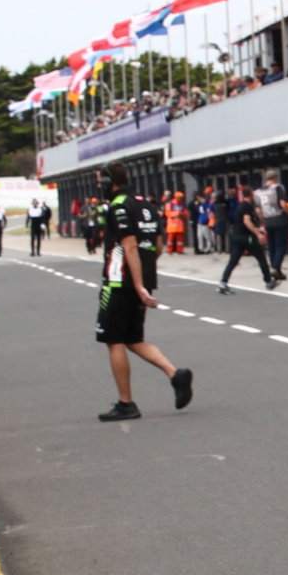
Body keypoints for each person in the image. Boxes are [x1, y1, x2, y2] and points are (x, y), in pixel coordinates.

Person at [95, 163, 193, 421]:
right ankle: (175, 374)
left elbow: (129, 247)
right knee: (133, 338)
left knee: (113, 339)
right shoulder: (147, 204)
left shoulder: (118, 206)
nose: (98, 187)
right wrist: (144, 279)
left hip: (120, 282)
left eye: (100, 182)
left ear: (108, 182)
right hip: (143, 277)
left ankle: (126, 403)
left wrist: (136, 284)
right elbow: (158, 246)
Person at [217, 186, 277, 294]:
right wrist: (258, 233)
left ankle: (223, 282)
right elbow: (247, 221)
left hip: (237, 236)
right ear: (250, 194)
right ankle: (268, 281)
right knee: (261, 257)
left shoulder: (241, 206)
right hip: (248, 238)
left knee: (233, 260)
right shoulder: (247, 206)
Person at [255, 169, 288, 280]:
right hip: (279, 218)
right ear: (275, 178)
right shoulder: (277, 188)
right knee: (281, 244)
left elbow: (257, 210)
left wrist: (263, 220)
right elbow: (283, 204)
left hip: (267, 219)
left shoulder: (257, 192)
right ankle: (276, 267)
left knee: (272, 245)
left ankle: (275, 267)